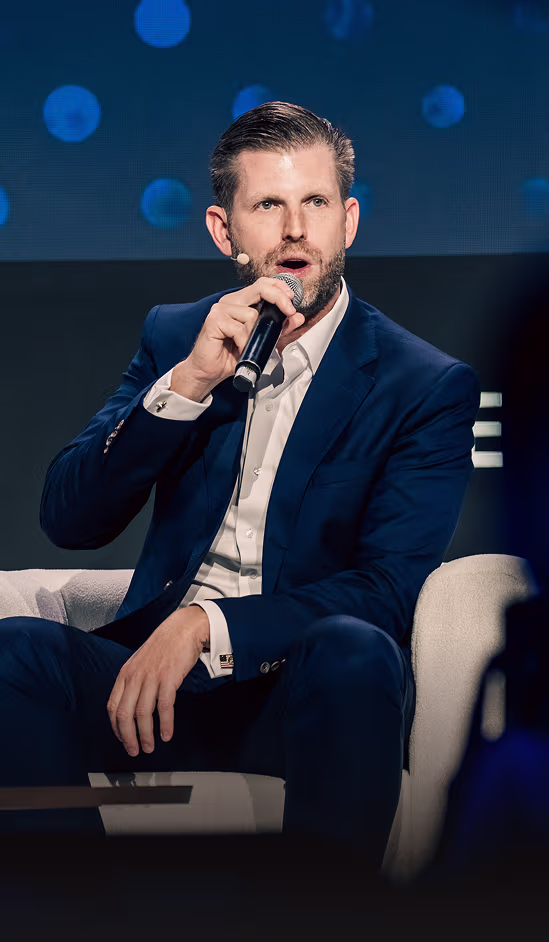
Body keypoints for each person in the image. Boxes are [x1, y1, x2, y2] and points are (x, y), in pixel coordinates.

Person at [0, 102, 479, 868]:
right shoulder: (176, 335)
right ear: (225, 232)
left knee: (356, 650)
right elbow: (71, 517)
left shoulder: (421, 384)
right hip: (151, 694)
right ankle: (79, 909)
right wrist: (187, 383)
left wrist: (207, 628)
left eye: (314, 203)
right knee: (13, 653)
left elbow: (388, 588)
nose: (295, 230)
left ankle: (325, 922)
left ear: (347, 221)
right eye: (267, 206)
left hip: (301, 689)